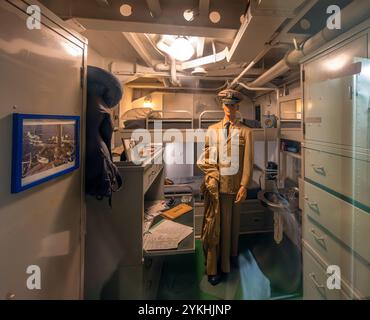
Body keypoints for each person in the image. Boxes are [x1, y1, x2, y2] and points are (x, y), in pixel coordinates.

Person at [197, 89, 254, 286]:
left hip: (232, 189)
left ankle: (227, 264)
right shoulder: (212, 130)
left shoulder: (247, 132)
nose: (230, 108)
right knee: (213, 228)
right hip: (215, 189)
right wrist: (211, 177)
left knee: (230, 229)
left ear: (238, 107)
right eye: (227, 104)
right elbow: (206, 156)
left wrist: (244, 186)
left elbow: (248, 162)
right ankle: (213, 269)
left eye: (233, 105)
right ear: (223, 106)